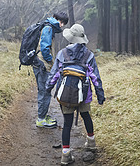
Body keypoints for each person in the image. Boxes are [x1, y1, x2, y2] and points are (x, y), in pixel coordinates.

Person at [46, 23, 105, 165]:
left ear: (70, 38)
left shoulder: (62, 54)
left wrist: (48, 88)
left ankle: (66, 155)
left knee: (67, 123)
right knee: (86, 116)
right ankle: (91, 142)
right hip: (84, 94)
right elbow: (95, 77)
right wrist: (100, 94)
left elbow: (54, 74)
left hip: (65, 94)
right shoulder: (88, 55)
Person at [32, 12, 69, 128]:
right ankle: (41, 119)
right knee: (45, 91)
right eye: (62, 22)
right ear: (57, 20)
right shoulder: (48, 28)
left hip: (41, 64)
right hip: (42, 65)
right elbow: (44, 48)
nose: (62, 25)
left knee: (44, 91)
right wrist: (50, 61)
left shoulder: (48, 27)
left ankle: (43, 115)